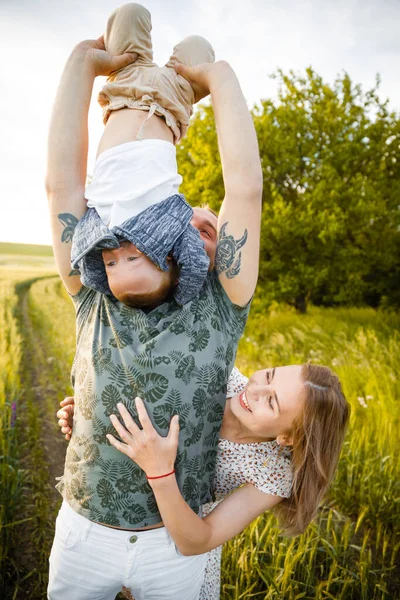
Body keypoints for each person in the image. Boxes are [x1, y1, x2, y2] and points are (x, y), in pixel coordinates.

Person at [45, 20, 262, 600]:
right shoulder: (95, 289)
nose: (113, 253)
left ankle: (161, 73)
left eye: (125, 251)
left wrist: (86, 62)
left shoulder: (221, 304)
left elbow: (244, 189)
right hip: (84, 532)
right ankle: (167, 75)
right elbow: (61, 186)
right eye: (113, 254)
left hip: (174, 542)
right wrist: (212, 77)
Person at [57, 363, 350, 599]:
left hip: (177, 536)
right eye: (270, 375)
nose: (256, 388)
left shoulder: (274, 470)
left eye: (271, 402)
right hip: (109, 516)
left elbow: (198, 541)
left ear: (287, 437)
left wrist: (160, 471)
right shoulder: (216, 371)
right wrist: (91, 417)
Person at [71, 3, 216, 308]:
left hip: (124, 87)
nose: (117, 256)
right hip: (172, 101)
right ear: (164, 256)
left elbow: (84, 262)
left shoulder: (98, 226)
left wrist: (82, 61)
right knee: (200, 49)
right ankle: (194, 70)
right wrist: (183, 292)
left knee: (129, 14)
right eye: (133, 260)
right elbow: (194, 265)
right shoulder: (172, 224)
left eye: (110, 266)